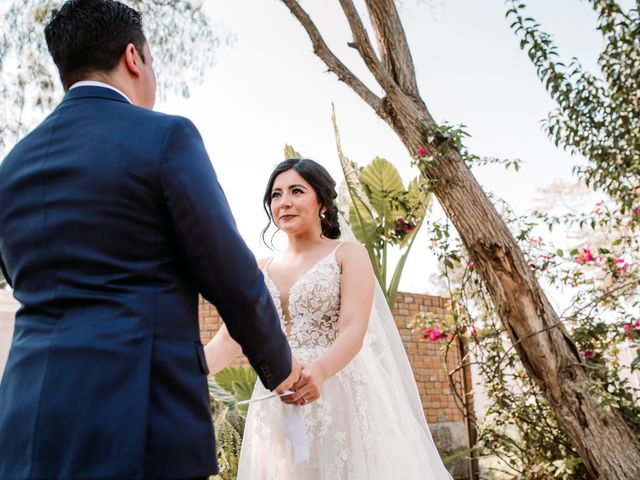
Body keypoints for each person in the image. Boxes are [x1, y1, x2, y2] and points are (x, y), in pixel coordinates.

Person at [0, 1, 299, 478]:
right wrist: (281, 369)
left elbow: (19, 277)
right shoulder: (165, 137)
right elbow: (231, 275)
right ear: (134, 57)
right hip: (137, 417)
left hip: (28, 422)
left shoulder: (12, 166)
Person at [206, 158, 453, 479]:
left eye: (296, 191)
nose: (284, 202)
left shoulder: (347, 254)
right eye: (276, 195)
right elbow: (231, 336)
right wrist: (185, 372)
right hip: (276, 400)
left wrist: (320, 371)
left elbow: (353, 328)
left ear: (322, 201)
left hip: (338, 389)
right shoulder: (257, 269)